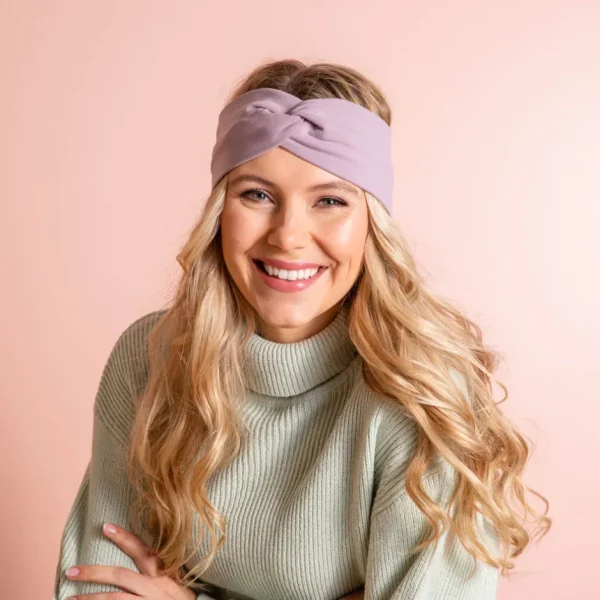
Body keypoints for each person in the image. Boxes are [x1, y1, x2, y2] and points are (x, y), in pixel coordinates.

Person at [52, 59, 551, 600]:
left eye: (330, 201)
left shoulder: (424, 394)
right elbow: (100, 587)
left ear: (372, 222)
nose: (288, 236)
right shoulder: (150, 357)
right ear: (219, 211)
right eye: (257, 195)